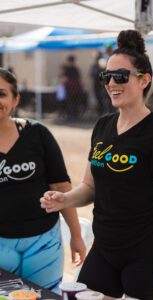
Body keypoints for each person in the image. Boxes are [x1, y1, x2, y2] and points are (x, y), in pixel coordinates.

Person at [40, 30, 153, 300]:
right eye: (107, 76)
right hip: (105, 245)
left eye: (121, 76)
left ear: (144, 80)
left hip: (146, 251)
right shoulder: (103, 125)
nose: (111, 83)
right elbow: (89, 186)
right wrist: (65, 199)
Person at [0, 68, 86, 293]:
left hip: (43, 243)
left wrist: (76, 236)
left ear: (15, 99)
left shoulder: (37, 133)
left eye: (1, 94)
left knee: (45, 296)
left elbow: (61, 187)